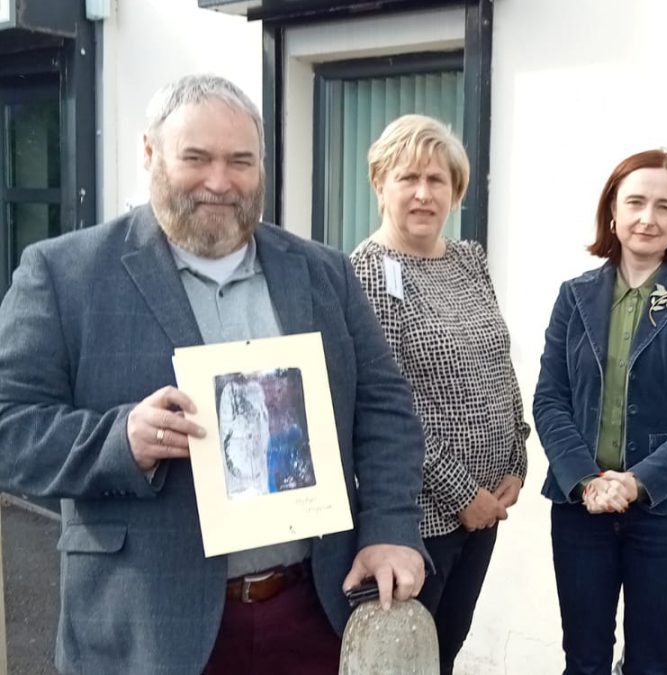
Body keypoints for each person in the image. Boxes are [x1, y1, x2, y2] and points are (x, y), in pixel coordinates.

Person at [0, 74, 428, 675]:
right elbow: (9, 426)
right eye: (195, 159)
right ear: (150, 154)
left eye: (240, 161)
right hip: (147, 627)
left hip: (310, 613)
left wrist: (390, 526)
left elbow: (384, 407)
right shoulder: (63, 274)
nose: (220, 182)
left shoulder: (323, 272)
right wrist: (120, 441)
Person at [533, 149, 667, 675]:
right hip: (581, 510)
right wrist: (586, 480)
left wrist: (635, 482)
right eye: (636, 202)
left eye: (664, 207)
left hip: (666, 513)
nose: (648, 217)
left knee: (650, 664)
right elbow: (550, 399)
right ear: (613, 214)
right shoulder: (574, 296)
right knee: (584, 660)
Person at [350, 114, 529, 674]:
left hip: (488, 508)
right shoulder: (367, 274)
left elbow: (498, 360)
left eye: (438, 181)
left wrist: (517, 458)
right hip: (424, 519)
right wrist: (461, 492)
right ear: (381, 185)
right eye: (409, 178)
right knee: (409, 660)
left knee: (445, 651)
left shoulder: (468, 261)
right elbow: (383, 409)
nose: (424, 194)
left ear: (456, 191)